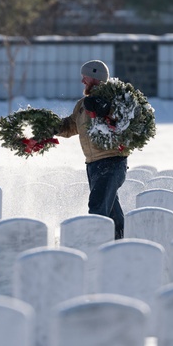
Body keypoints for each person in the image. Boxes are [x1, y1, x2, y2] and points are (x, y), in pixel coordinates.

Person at [56, 59, 129, 239]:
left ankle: (96, 247)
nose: (82, 81)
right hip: (93, 165)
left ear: (95, 77)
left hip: (112, 162)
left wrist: (105, 108)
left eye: (85, 77)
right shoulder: (82, 105)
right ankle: (120, 244)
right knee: (111, 211)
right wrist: (52, 126)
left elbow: (123, 121)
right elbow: (71, 125)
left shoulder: (115, 99)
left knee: (97, 208)